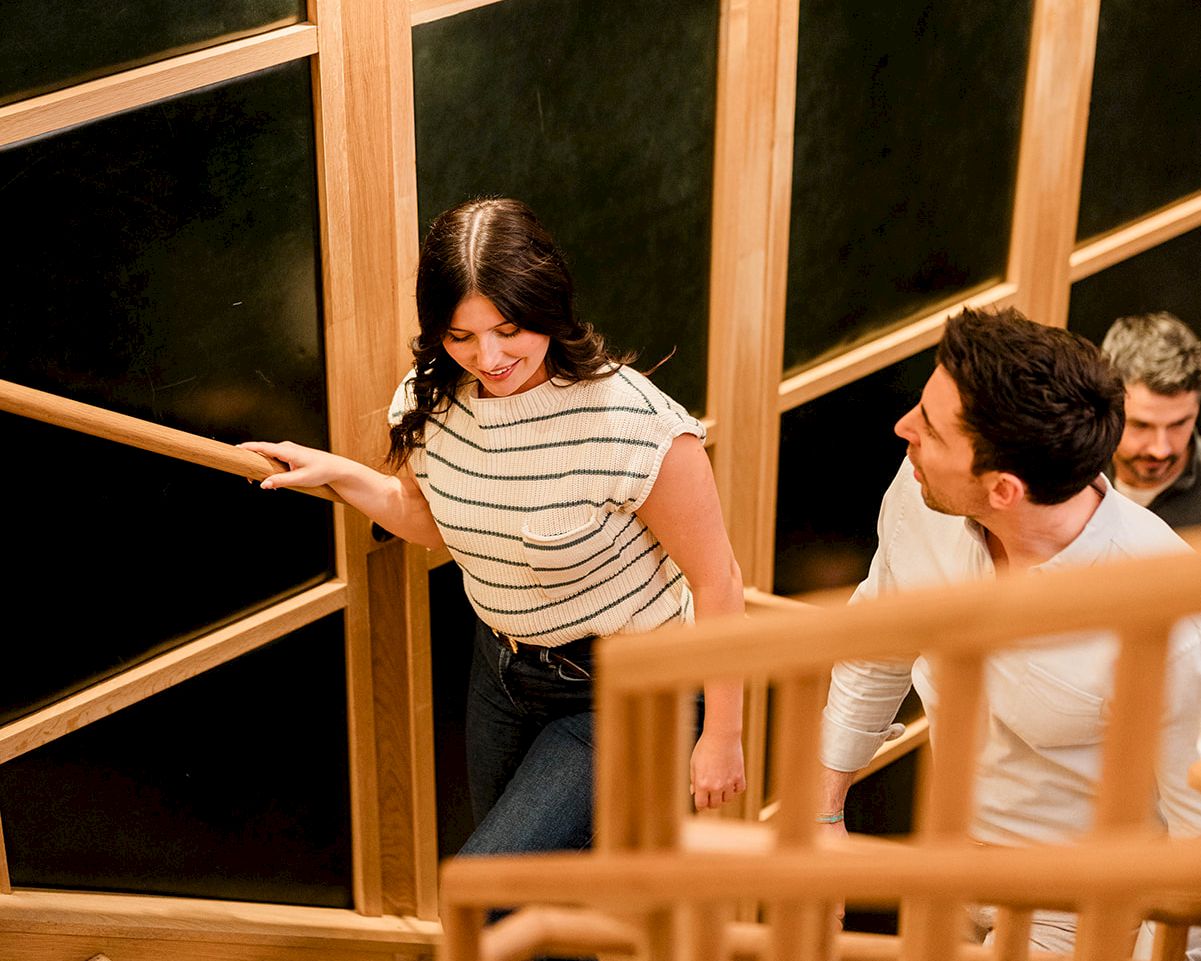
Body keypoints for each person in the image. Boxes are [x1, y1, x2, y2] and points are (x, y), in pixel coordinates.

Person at [242, 197, 746, 860]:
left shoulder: (633, 424)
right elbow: (435, 522)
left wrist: (721, 734)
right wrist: (337, 473)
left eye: (508, 328)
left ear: (548, 305)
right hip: (502, 670)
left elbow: (718, 582)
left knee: (485, 890)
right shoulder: (431, 398)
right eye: (461, 336)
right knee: (536, 904)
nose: (489, 356)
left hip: (626, 688)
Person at [817, 307, 1201, 954]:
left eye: (931, 430)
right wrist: (823, 809)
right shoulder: (922, 489)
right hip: (946, 849)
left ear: (1002, 489)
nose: (903, 428)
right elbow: (879, 641)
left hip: (1078, 896)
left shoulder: (1167, 610)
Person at [1100, 311, 1201, 531]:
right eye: (1141, 425)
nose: (1160, 450)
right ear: (1108, 405)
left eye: (1178, 424)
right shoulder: (1068, 476)